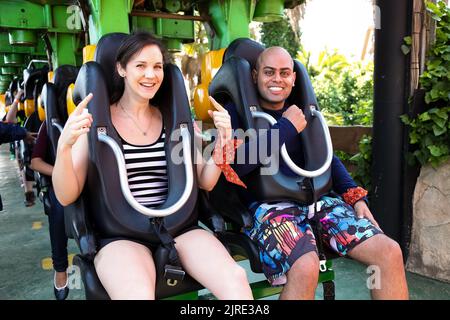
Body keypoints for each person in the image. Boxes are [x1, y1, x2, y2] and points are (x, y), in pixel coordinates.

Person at [52, 31, 253, 300]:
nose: (151, 75)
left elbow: (205, 181)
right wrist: (65, 146)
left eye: (157, 66)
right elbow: (66, 195)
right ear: (121, 69)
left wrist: (223, 142)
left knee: (236, 282)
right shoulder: (95, 124)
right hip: (120, 236)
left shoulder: (176, 123)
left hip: (178, 228)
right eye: (140, 66)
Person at [220, 46, 409, 300]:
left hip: (317, 202)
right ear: (254, 75)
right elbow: (236, 167)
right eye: (269, 72)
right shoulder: (237, 113)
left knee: (389, 252)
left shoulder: (305, 112)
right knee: (306, 266)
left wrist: (355, 197)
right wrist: (286, 127)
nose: (277, 79)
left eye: (284, 73)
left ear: (294, 78)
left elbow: (327, 159)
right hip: (270, 208)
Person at [30, 121, 69, 300]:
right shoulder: (51, 123)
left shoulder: (100, 114)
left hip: (94, 180)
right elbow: (35, 162)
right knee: (59, 209)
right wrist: (60, 172)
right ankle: (60, 268)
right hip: (62, 180)